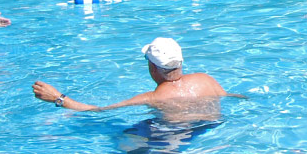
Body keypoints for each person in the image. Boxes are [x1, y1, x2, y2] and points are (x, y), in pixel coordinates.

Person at [32, 37, 239, 112]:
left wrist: (58, 98)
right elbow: (234, 99)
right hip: (211, 128)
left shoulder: (153, 98)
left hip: (171, 140)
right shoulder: (206, 80)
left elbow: (98, 111)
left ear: (153, 68)